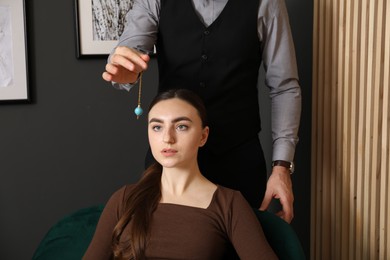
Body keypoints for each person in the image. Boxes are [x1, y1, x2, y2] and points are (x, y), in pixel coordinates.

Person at [102, 0, 301, 223]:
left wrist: (282, 167)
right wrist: (125, 66)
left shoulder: (267, 3)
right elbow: (131, 48)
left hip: (239, 162)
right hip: (170, 167)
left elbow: (284, 87)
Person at [83, 89, 277, 260]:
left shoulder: (229, 204)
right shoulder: (124, 199)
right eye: (157, 127)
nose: (168, 138)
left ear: (203, 136)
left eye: (181, 126)